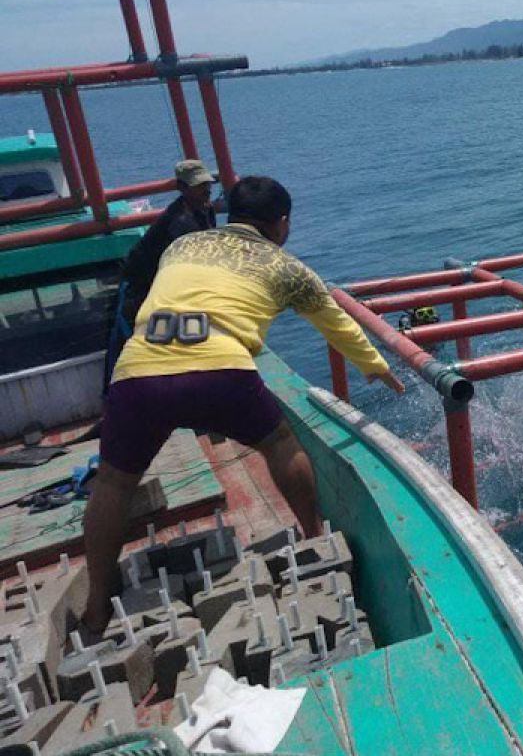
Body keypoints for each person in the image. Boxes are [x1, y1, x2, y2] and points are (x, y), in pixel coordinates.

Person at [82, 176, 404, 635]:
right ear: (282, 222)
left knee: (113, 482)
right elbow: (337, 324)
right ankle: (312, 538)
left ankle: (97, 604)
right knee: (279, 442)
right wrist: (375, 368)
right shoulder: (286, 266)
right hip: (220, 365)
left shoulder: (185, 245)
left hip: (141, 366)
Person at [102, 159, 219, 390]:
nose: (206, 190)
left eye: (207, 184)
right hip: (143, 291)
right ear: (182, 188)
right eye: (198, 186)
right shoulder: (180, 223)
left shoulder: (203, 208)